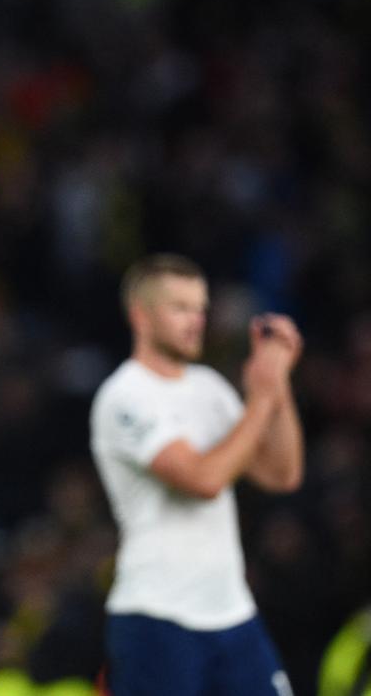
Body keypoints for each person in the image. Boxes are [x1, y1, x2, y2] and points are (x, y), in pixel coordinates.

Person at [88, 254, 305, 695]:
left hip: (232, 613)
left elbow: (282, 474)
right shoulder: (123, 395)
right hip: (155, 618)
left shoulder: (210, 388)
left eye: (201, 308)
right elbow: (204, 480)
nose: (196, 320)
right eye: (180, 307)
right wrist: (261, 399)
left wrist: (276, 384)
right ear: (140, 315)